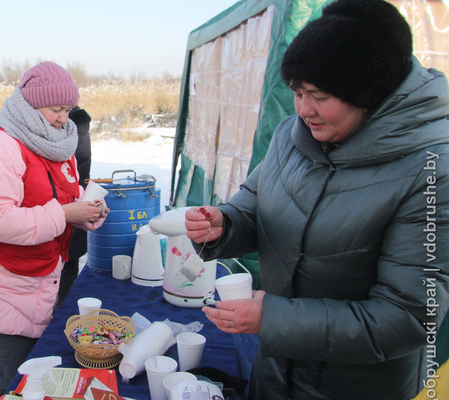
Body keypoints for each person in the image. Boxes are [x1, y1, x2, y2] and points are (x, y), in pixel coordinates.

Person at [184, 0, 449, 399]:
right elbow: (255, 203)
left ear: (368, 93)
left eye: (320, 96)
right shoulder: (292, 137)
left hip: (356, 386)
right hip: (276, 371)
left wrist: (274, 319)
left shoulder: (431, 171)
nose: (304, 110)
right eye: (296, 93)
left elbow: (407, 317)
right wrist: (225, 224)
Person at [0, 61, 109, 399]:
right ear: (31, 104)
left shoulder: (56, 143)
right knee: (11, 384)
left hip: (39, 284)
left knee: (38, 384)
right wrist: (66, 212)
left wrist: (84, 211)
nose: (63, 118)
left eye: (68, 109)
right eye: (56, 109)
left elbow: (60, 198)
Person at [58, 106, 92, 303]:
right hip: (75, 207)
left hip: (67, 210)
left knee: (63, 271)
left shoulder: (69, 127)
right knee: (69, 269)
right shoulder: (80, 124)